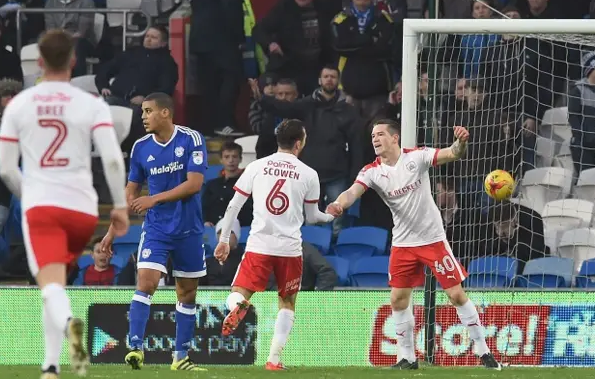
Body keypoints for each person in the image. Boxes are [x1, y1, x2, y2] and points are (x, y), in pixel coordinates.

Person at [0, 29, 128, 379]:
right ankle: (50, 367)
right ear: (73, 61)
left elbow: (7, 169)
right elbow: (113, 160)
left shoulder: (19, 105)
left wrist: (32, 198)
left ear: (39, 61)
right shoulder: (91, 104)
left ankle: (70, 323)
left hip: (42, 206)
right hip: (82, 210)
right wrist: (119, 205)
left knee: (50, 285)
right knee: (55, 285)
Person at [327, 119, 502, 370]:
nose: (375, 139)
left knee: (455, 294)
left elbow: (452, 154)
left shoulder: (417, 157)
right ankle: (407, 358)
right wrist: (339, 204)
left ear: (395, 138)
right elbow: (352, 192)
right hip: (403, 244)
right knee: (398, 299)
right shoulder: (371, 171)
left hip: (433, 239)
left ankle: (485, 352)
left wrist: (460, 142)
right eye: (372, 136)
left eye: (380, 134)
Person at [213, 118, 336, 371]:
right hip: (290, 248)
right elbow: (313, 218)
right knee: (287, 303)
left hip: (259, 244)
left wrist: (224, 240)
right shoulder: (309, 173)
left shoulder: (257, 166)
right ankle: (274, 360)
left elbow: (234, 206)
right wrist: (331, 215)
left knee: (239, 291)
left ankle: (238, 307)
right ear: (299, 143)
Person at [99, 92, 209, 372]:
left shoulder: (191, 139)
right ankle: (135, 346)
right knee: (145, 284)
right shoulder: (140, 147)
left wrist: (154, 199)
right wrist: (112, 232)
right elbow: (130, 192)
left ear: (165, 113)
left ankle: (180, 357)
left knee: (186, 294)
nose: (143, 116)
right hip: (157, 228)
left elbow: (194, 184)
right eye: (143, 112)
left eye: (148, 111)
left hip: (189, 229)